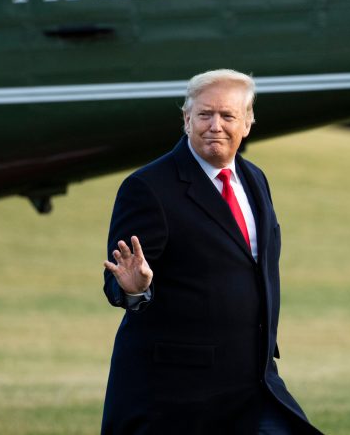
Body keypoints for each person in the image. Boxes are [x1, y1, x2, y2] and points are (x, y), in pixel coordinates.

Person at [101, 69, 322, 434]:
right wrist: (134, 287)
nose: (214, 125)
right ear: (186, 120)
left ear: (247, 124)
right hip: (177, 394)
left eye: (227, 116)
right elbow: (118, 283)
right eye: (204, 115)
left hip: (252, 384)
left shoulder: (254, 179)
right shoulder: (148, 187)